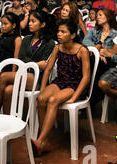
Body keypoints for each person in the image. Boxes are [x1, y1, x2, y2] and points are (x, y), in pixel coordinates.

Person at [31, 20, 91, 156]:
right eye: (58, 31)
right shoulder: (57, 48)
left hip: (75, 85)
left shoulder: (82, 50)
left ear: (73, 35)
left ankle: (40, 141)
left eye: (63, 32)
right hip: (60, 81)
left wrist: (75, 97)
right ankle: (44, 139)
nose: (59, 34)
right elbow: (48, 69)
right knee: (41, 98)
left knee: (52, 101)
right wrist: (43, 88)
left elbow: (86, 77)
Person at [0, 10, 56, 113]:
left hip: (37, 78)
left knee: (2, 76)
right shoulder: (27, 39)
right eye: (29, 21)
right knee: (7, 90)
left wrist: (31, 64)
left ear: (42, 24)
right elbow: (21, 60)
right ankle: (6, 120)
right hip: (23, 74)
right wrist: (36, 64)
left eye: (33, 21)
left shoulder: (50, 43)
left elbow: (45, 66)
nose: (29, 23)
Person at [82, 8, 117, 106]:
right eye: (97, 15)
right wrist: (98, 51)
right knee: (93, 62)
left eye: (100, 15)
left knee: (92, 64)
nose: (97, 17)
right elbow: (85, 42)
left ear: (108, 17)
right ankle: (92, 99)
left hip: (109, 65)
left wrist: (109, 55)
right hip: (95, 62)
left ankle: (87, 98)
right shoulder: (93, 31)